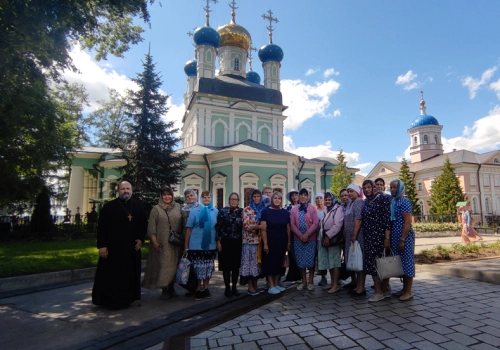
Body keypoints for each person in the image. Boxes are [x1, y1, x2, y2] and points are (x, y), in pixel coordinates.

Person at [92, 181, 147, 309]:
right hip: (113, 249)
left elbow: (143, 225)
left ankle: (128, 298)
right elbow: (102, 227)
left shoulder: (138, 207)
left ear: (132, 190)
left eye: (128, 188)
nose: (125, 191)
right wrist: (102, 245)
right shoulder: (109, 207)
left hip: (131, 249)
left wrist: (141, 239)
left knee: (129, 275)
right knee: (112, 275)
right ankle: (110, 301)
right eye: (123, 189)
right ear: (118, 191)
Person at [142, 187, 183, 299]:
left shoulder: (178, 207)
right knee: (164, 266)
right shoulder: (156, 209)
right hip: (162, 243)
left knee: (174, 265)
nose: (167, 197)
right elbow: (151, 227)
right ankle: (165, 288)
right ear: (161, 196)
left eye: (169, 194)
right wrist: (155, 241)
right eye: (164, 195)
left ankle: (171, 287)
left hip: (176, 243)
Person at [184, 190, 219, 300]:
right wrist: (186, 245)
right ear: (200, 199)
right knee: (198, 268)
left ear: (211, 198)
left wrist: (218, 242)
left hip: (210, 244)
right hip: (196, 244)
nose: (206, 199)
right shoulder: (195, 211)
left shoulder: (215, 211)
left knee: (208, 268)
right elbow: (189, 229)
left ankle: (206, 288)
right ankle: (198, 289)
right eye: (204, 197)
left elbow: (218, 228)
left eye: (208, 197)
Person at [360, 180, 391, 302]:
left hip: (380, 237)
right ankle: (380, 290)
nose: (367, 189)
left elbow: (387, 219)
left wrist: (387, 238)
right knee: (373, 264)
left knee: (381, 263)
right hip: (369, 237)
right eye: (364, 187)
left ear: (374, 188)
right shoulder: (366, 201)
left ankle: (381, 291)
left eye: (369, 187)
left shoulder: (382, 199)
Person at [390, 179, 415, 301]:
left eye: (395, 187)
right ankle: (404, 289)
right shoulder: (394, 201)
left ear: (400, 188)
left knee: (407, 262)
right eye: (391, 187)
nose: (393, 189)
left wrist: (402, 239)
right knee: (401, 263)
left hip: (404, 237)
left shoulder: (404, 201)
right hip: (396, 237)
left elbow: (407, 222)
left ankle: (409, 291)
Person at [261, 191, 291, 294]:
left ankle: (276, 283)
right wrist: (265, 243)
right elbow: (263, 229)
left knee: (279, 263)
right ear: (272, 199)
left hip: (282, 242)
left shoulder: (285, 212)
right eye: (275, 198)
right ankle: (271, 285)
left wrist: (288, 242)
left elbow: (288, 229)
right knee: (270, 263)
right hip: (270, 241)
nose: (277, 200)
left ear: (281, 200)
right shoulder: (266, 211)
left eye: (279, 198)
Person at [290, 188, 319, 290]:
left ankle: (311, 281)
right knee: (301, 260)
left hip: (311, 239)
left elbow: (316, 223)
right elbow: (292, 224)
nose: (303, 196)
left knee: (310, 260)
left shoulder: (312, 208)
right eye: (301, 194)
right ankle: (304, 281)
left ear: (307, 196)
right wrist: (300, 235)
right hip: (298, 239)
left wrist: (307, 234)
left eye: (305, 195)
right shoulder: (294, 209)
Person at [216, 192, 243, 297]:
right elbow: (218, 227)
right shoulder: (223, 211)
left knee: (236, 267)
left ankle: (234, 288)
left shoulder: (241, 212)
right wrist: (218, 242)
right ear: (229, 200)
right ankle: (227, 289)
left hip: (237, 242)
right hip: (225, 242)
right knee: (226, 267)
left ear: (238, 201)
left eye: (235, 199)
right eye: (231, 199)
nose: (233, 201)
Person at [318, 192, 344, 293]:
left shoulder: (338, 208)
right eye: (326, 199)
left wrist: (328, 236)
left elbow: (337, 225)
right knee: (330, 262)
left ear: (333, 199)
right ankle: (332, 282)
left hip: (334, 239)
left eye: (329, 199)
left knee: (335, 262)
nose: (327, 201)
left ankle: (336, 284)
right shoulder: (326, 209)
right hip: (326, 238)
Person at [241, 189, 266, 295]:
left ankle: (255, 285)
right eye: (254, 196)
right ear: (251, 198)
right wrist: (259, 226)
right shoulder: (247, 209)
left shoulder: (262, 209)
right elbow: (246, 225)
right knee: (250, 265)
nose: (256, 198)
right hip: (249, 241)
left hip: (259, 242)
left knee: (256, 265)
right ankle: (250, 287)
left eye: (258, 196)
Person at [344, 184, 365, 296]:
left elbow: (358, 219)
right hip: (350, 236)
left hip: (357, 236)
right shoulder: (349, 203)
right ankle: (357, 285)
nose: (349, 193)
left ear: (357, 192)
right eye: (348, 191)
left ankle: (361, 286)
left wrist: (354, 234)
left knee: (359, 260)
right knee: (354, 260)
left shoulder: (358, 202)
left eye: (351, 191)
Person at [180, 188, 199, 297]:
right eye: (187, 196)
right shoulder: (182, 210)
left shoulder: (199, 208)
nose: (189, 198)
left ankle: (197, 286)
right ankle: (190, 287)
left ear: (195, 196)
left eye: (191, 195)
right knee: (187, 265)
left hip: (196, 239)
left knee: (197, 264)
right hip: (185, 239)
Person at [284, 189, 302, 282]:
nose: (294, 197)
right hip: (290, 232)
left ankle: (300, 274)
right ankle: (292, 274)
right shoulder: (287, 207)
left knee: (299, 253)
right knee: (292, 253)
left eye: (296, 195)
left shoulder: (302, 206)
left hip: (301, 233)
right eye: (293, 195)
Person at [314, 193, 328, 287]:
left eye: (320, 198)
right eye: (317, 198)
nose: (319, 200)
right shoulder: (314, 211)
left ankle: (337, 278)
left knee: (330, 256)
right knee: (321, 257)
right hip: (318, 236)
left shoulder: (327, 210)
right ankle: (323, 277)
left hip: (327, 235)